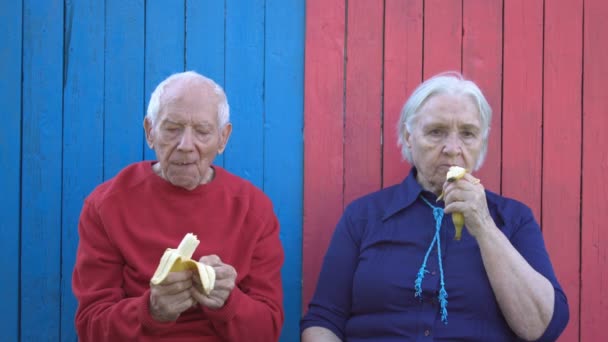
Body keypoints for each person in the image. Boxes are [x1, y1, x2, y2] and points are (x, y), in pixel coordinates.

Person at [300, 72, 569, 341]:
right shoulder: (364, 217)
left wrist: (483, 224)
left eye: (468, 134)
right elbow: (324, 321)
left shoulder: (513, 219)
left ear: (482, 142)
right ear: (408, 136)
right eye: (436, 132)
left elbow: (542, 328)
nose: (452, 148)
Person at [72, 71, 284, 341]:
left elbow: (268, 330)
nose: (186, 145)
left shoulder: (253, 210)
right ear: (150, 132)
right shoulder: (107, 205)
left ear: (223, 138)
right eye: (172, 129)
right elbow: (90, 327)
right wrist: (150, 310)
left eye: (203, 131)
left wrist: (229, 303)